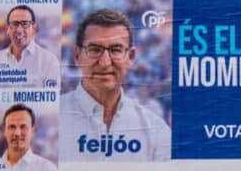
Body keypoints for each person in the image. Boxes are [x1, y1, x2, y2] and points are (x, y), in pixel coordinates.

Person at [59, 9, 172, 162]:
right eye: (95, 50)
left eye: (116, 50)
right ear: (77, 56)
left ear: (130, 57)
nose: (105, 62)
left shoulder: (155, 130)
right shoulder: (54, 118)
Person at [0, 5, 60, 88]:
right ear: (7, 29)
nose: (19, 30)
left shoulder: (49, 60)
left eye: (25, 23)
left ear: (34, 28)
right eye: (14, 24)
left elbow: (51, 99)